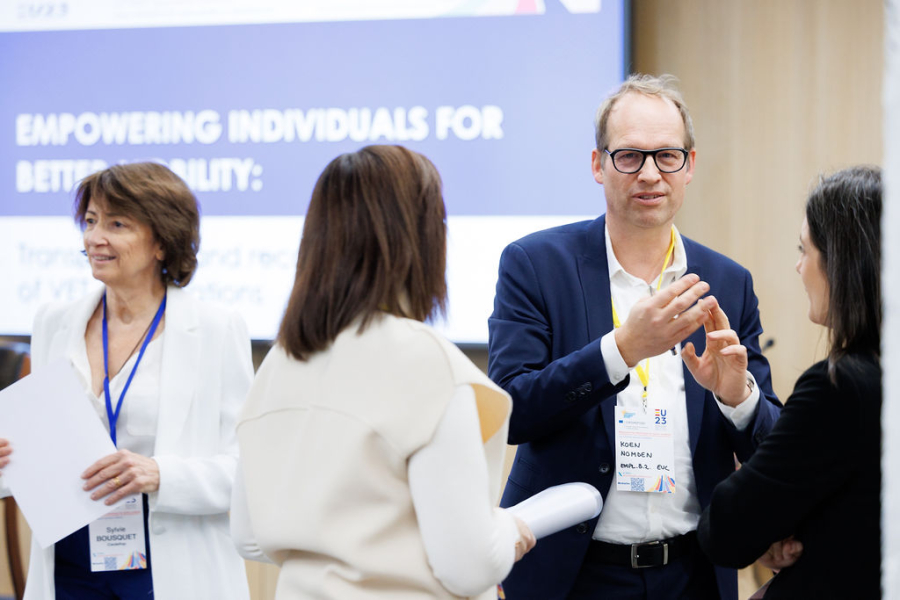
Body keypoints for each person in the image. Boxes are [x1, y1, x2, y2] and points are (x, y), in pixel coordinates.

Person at [488, 73, 783, 599]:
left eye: (667, 156)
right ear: (598, 164)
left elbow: (770, 441)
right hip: (571, 572)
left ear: (689, 166)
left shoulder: (728, 282)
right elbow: (513, 407)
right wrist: (622, 350)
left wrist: (736, 397)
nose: (650, 174)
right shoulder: (535, 265)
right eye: (629, 156)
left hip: (693, 571)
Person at [230, 144, 536, 599]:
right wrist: (509, 528)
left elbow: (248, 535)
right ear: (419, 237)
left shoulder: (280, 360)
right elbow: (469, 565)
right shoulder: (425, 360)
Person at [0, 162, 252, 600]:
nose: (95, 237)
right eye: (92, 221)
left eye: (117, 224)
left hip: (171, 560)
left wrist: (160, 475)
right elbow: (36, 449)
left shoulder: (216, 328)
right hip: (70, 559)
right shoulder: (53, 323)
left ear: (161, 241)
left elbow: (247, 467)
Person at [696, 166, 882, 599]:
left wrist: (769, 524)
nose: (798, 267)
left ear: (842, 259)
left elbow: (726, 530)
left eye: (805, 249)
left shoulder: (840, 386)